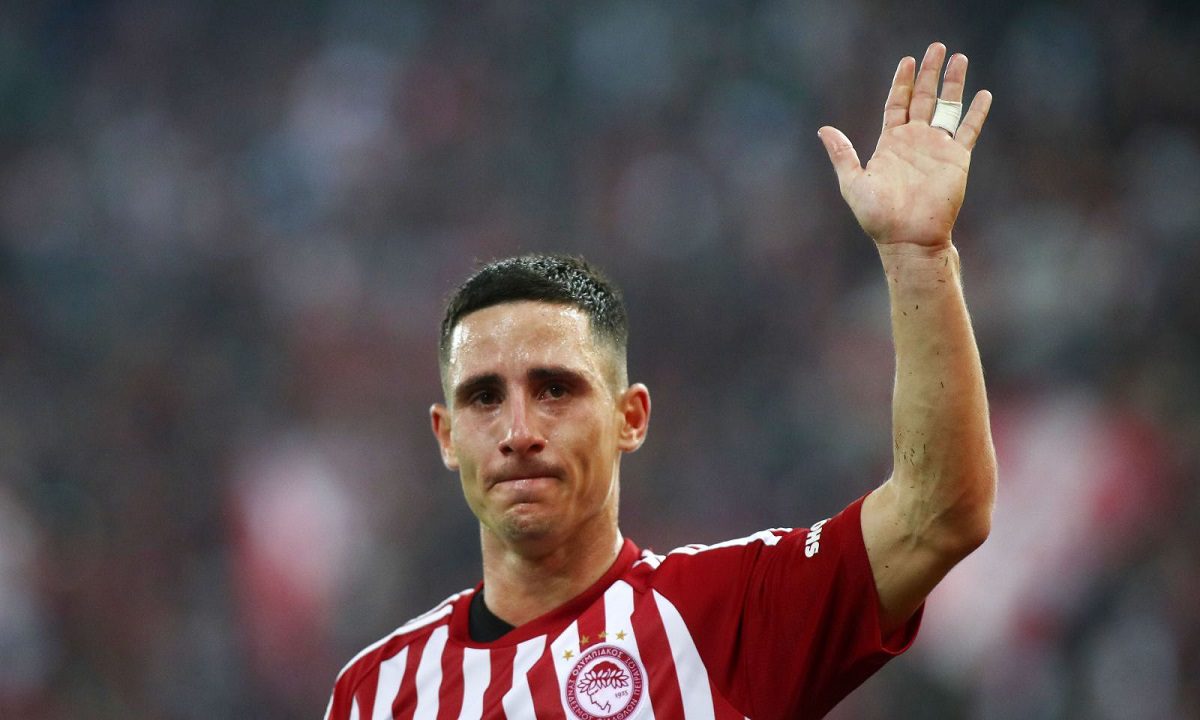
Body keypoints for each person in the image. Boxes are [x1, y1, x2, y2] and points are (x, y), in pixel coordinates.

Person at [324, 42, 996, 719]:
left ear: (631, 417)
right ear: (446, 436)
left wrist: (918, 256)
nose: (519, 431)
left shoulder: (724, 616)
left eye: (555, 389)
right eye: (484, 397)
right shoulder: (374, 693)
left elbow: (939, 513)